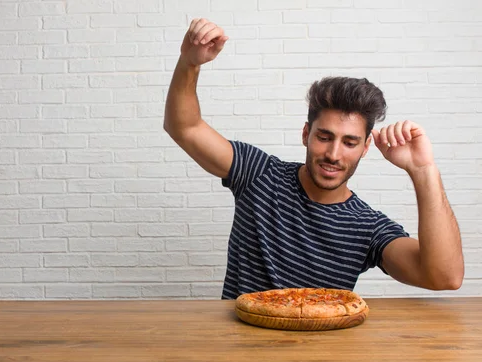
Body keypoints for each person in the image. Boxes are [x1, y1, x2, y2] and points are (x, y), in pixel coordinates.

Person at [163, 18, 465, 300]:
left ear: (365, 147)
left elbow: (444, 277)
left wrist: (422, 169)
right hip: (239, 351)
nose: (334, 154)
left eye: (349, 142)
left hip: (318, 357)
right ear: (306, 133)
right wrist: (189, 63)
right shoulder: (259, 174)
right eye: (324, 137)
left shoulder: (367, 226)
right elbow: (185, 128)